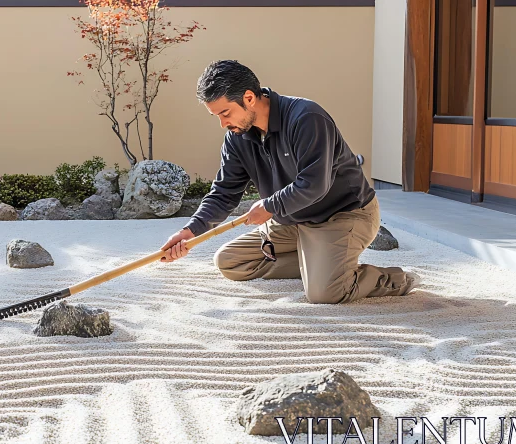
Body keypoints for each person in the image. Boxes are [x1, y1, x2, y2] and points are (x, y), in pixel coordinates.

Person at [159, 60, 419, 304]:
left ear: (249, 98)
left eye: (225, 113)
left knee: (325, 293)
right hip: (292, 220)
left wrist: (270, 206)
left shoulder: (306, 118)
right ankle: (319, 263)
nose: (222, 123)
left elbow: (314, 184)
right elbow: (224, 193)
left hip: (342, 215)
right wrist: (189, 231)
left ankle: (396, 278)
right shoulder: (237, 137)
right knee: (230, 262)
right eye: (216, 116)